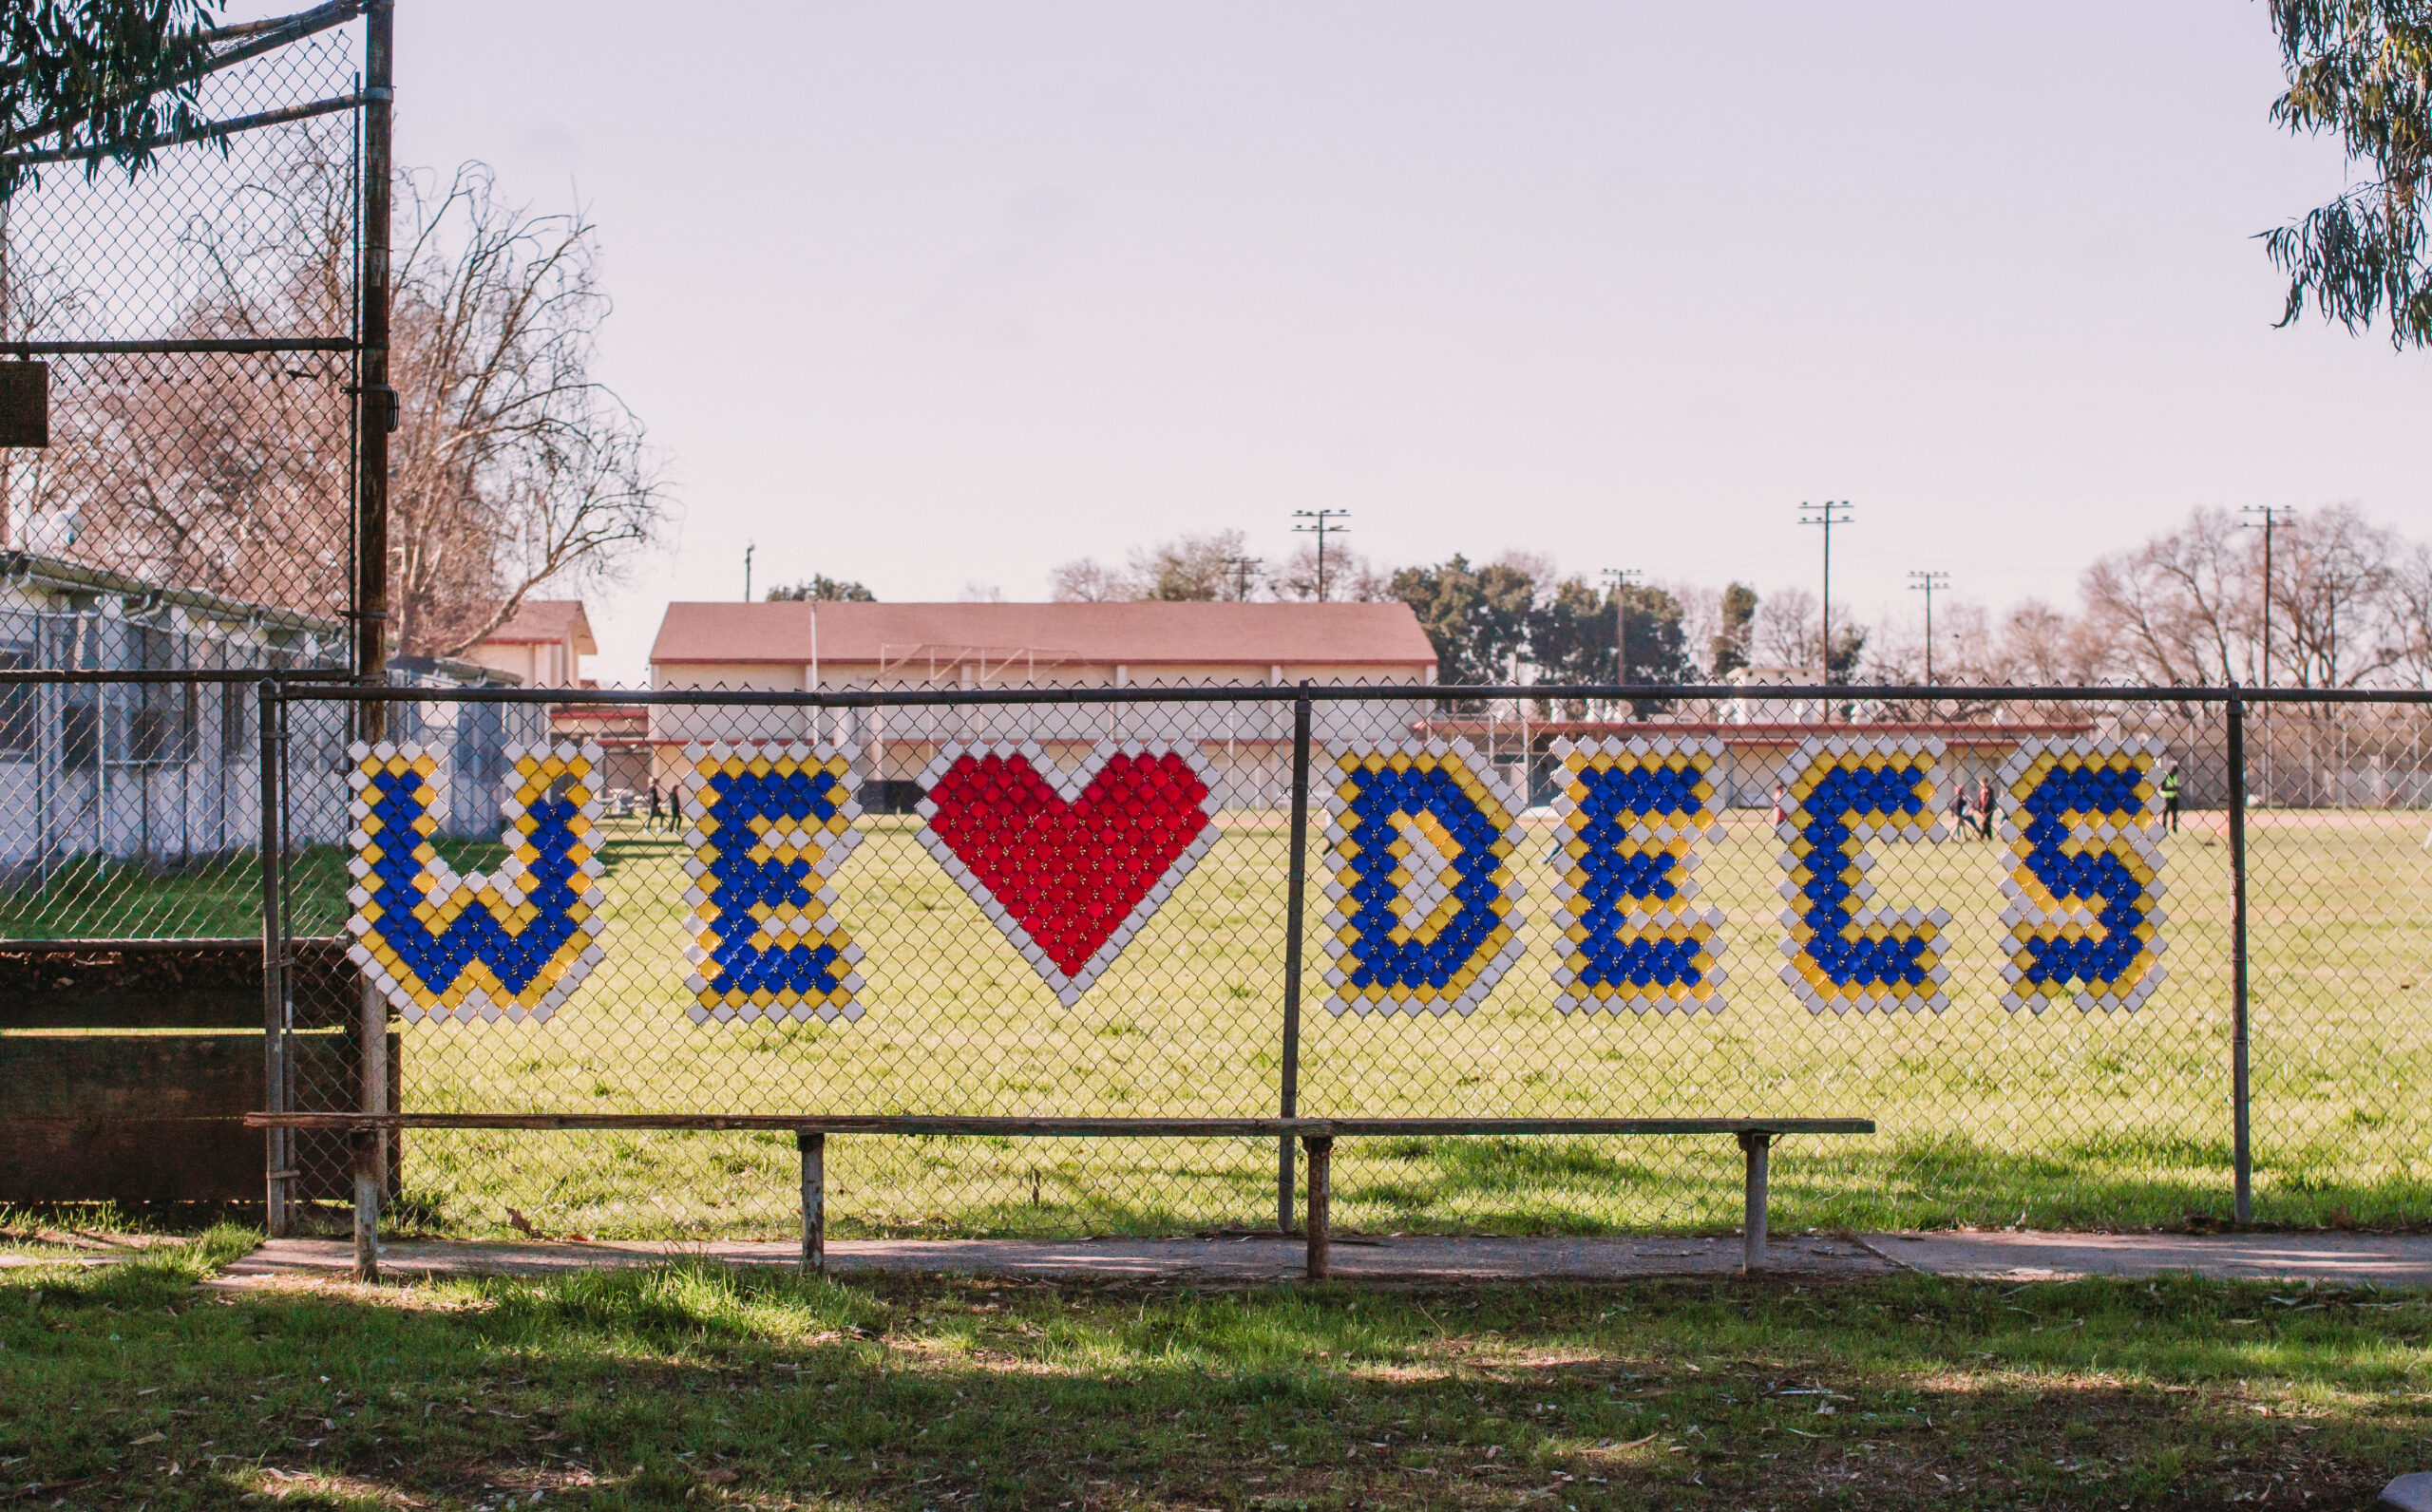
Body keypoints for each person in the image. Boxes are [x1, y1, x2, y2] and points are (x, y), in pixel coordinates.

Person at [2160, 763, 2182, 834]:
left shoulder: (2174, 776)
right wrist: (2174, 788)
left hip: (2174, 797)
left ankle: (2174, 828)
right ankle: (2163, 829)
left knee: (2175, 814)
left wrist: (2177, 788)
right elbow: (2163, 788)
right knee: (2165, 814)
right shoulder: (2165, 776)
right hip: (2166, 798)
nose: (2174, 773)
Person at [1976, 775, 1994, 840]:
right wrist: (1979, 808)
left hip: (1989, 809)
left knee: (1985, 822)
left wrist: (1983, 807)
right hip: (1983, 809)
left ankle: (1981, 836)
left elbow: (1988, 800)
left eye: (1982, 783)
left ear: (1986, 783)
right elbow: (1980, 799)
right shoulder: (1982, 790)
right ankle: (1989, 836)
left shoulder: (1989, 790)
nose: (1981, 784)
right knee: (1987, 823)